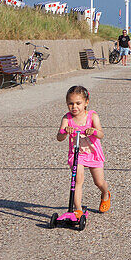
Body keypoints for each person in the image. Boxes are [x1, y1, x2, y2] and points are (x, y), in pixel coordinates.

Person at [55, 85, 110, 215]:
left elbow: (101, 134)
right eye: (71, 104)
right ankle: (78, 210)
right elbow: (59, 137)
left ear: (86, 102)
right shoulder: (67, 118)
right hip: (77, 154)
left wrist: (94, 131)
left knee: (99, 181)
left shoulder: (92, 116)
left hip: (93, 153)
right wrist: (65, 131)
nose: (74, 107)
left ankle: (105, 193)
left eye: (78, 103)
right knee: (77, 180)